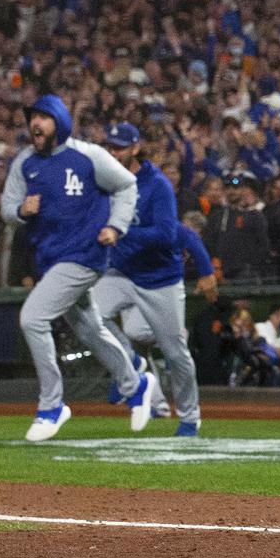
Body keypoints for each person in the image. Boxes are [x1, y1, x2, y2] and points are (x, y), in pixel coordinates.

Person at [0, 94, 151, 442]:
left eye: (44, 118)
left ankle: (52, 405)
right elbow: (7, 209)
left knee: (32, 318)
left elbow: (127, 184)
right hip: (51, 260)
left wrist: (116, 225)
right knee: (90, 330)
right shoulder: (25, 162)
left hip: (86, 254)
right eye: (32, 118)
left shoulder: (88, 155)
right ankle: (135, 383)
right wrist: (21, 210)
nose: (36, 124)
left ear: (60, 121)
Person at [89, 123, 200, 437]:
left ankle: (190, 417)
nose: (114, 152)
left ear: (135, 148)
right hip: (121, 273)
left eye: (120, 147)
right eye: (110, 146)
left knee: (175, 353)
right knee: (87, 313)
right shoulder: (106, 183)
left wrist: (122, 230)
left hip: (159, 277)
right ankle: (130, 364)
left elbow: (166, 235)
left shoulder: (157, 185)